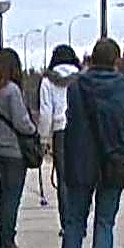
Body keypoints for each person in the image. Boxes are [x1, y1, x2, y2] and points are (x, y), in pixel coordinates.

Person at [45, 38, 124, 248]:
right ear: (116, 60)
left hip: (80, 162)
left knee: (75, 223)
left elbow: (69, 119)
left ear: (91, 59)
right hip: (112, 163)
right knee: (105, 223)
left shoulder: (76, 87)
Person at [0, 48, 37, 248]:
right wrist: (33, 130)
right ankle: (8, 241)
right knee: (12, 196)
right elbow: (22, 122)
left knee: (3, 194)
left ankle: (2, 236)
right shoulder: (12, 90)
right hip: (14, 151)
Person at [37, 44, 83, 237]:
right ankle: (81, 218)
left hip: (60, 131)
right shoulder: (82, 79)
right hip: (80, 131)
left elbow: (45, 112)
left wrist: (43, 137)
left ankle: (67, 223)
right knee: (81, 176)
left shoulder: (48, 81)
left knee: (63, 178)